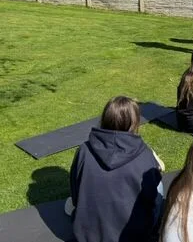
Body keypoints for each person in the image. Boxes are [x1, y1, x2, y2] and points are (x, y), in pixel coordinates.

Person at [68, 96, 164, 242]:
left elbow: (75, 194)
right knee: (159, 187)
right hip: (132, 235)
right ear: (134, 122)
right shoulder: (145, 155)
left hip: (88, 235)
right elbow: (151, 200)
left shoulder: (84, 150)